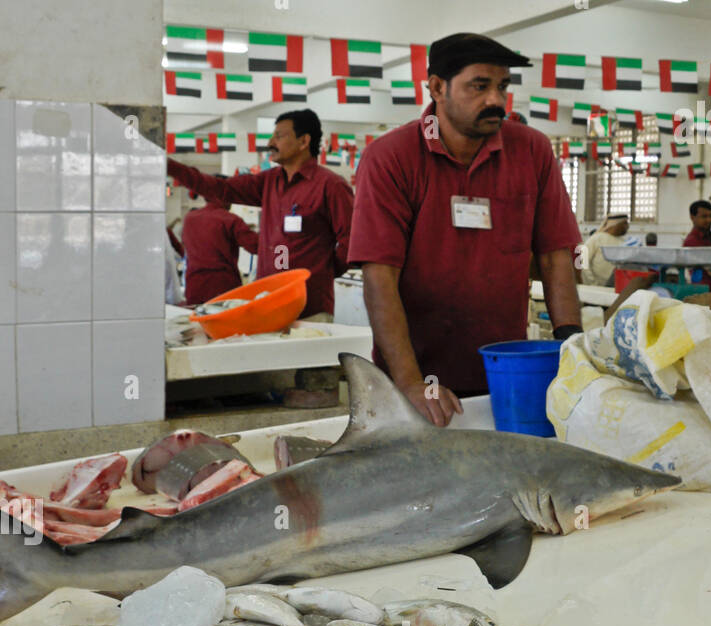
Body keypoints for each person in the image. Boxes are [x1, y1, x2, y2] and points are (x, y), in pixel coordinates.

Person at [348, 32, 581, 425]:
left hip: (504, 372)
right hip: (415, 376)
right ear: (437, 87)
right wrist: (410, 382)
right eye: (480, 85)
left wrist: (572, 351)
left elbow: (555, 255)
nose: (495, 99)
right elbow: (379, 277)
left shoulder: (532, 151)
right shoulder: (391, 157)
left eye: (502, 86)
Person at [166, 109, 354, 319]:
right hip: (266, 302)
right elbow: (220, 188)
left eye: (279, 136)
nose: (270, 142)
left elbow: (353, 240)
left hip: (309, 307)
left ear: (304, 141)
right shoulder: (267, 182)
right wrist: (169, 166)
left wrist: (324, 272)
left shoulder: (331, 186)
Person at [181, 189, 259, 307]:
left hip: (194, 286)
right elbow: (256, 246)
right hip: (223, 287)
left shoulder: (189, 219)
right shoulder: (231, 220)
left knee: (197, 324)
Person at [579, 215, 630, 287]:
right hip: (595, 287)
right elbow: (583, 262)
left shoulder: (624, 241)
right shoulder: (596, 238)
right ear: (615, 224)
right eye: (625, 223)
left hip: (614, 286)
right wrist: (593, 283)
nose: (627, 226)